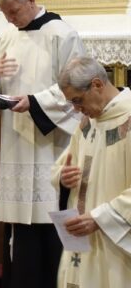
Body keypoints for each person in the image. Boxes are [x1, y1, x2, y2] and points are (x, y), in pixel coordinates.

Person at [0, 0, 85, 288]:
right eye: (5, 13)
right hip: (16, 143)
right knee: (21, 226)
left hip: (52, 145)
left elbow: (76, 87)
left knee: (49, 217)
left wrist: (34, 102)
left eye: (14, 11)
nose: (10, 19)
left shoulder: (62, 35)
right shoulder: (6, 37)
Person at [52, 56, 131, 288]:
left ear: (97, 85)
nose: (77, 110)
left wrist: (100, 218)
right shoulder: (88, 123)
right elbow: (62, 165)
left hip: (115, 242)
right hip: (82, 241)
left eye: (78, 100)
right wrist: (62, 177)